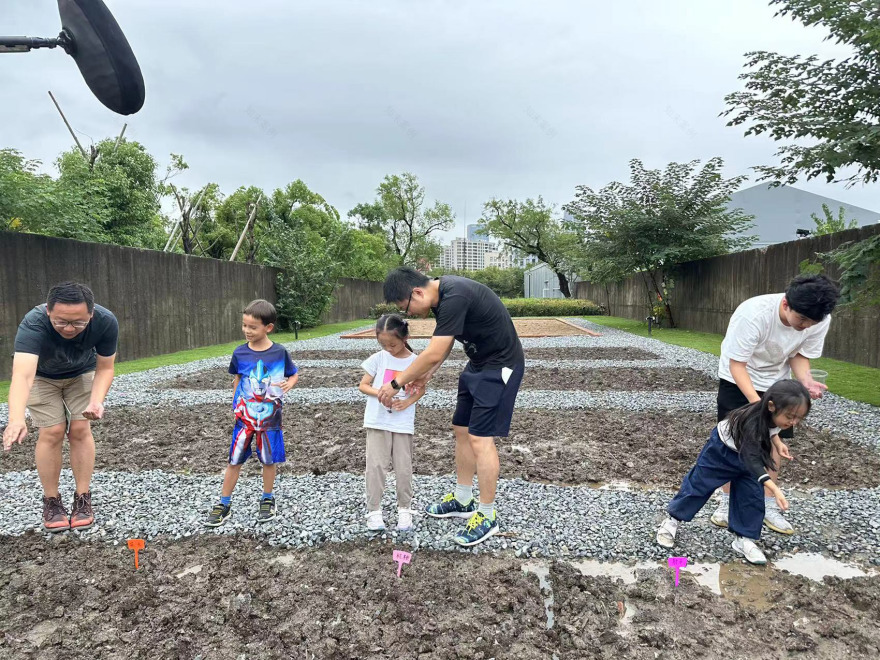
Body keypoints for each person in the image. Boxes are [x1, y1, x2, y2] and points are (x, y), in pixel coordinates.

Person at [377, 267, 525, 547]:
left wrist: (396, 383)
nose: (409, 314)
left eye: (405, 308)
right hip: (478, 363)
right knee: (461, 429)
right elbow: (443, 344)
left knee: (481, 438)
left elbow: (432, 350)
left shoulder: (455, 295)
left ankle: (487, 515)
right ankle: (463, 498)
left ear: (416, 292)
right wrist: (427, 375)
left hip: (501, 365)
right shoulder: (441, 299)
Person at [711, 274, 839, 535]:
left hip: (777, 384)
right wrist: (758, 406)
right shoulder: (753, 314)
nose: (805, 326)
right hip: (738, 379)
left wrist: (806, 380)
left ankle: (769, 504)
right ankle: (726, 503)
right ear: (785, 305)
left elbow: (799, 354)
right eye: (801, 319)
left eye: (811, 322)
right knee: (734, 443)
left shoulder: (819, 318)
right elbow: (737, 365)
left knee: (774, 443)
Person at [2, 282, 118, 532]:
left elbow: (106, 367)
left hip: (81, 373)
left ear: (91, 314)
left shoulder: (106, 321)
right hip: (42, 377)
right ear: (48, 313)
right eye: (60, 322)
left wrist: (97, 400)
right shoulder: (33, 323)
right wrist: (16, 418)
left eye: (78, 323)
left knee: (79, 428)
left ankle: (83, 498)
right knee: (52, 431)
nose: (69, 328)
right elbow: (23, 375)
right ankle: (52, 501)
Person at [656, 380, 811, 565]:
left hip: (748, 452)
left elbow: (771, 429)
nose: (794, 422)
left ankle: (744, 538)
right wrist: (774, 488)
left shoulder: (772, 415)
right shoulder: (752, 420)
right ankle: (672, 520)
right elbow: (752, 461)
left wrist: (778, 443)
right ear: (771, 406)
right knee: (699, 485)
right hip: (721, 451)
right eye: (790, 416)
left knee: (751, 495)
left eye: (798, 418)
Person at [204, 299, 298, 527]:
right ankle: (223, 503)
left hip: (271, 421)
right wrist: (234, 404)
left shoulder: (279, 352)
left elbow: (293, 373)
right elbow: (237, 379)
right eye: (244, 325)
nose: (247, 331)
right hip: (243, 419)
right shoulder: (240, 353)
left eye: (252, 327)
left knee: (268, 459)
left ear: (268, 327)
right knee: (234, 460)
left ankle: (267, 499)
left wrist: (290, 383)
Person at [358, 314, 426, 532]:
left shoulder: (415, 362)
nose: (388, 348)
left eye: (393, 344)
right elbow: (363, 385)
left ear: (405, 337)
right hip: (377, 421)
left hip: (403, 423)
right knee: (376, 466)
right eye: (383, 344)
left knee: (404, 467)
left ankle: (404, 509)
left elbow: (420, 389)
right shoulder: (378, 358)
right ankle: (374, 510)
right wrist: (382, 392)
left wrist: (407, 404)